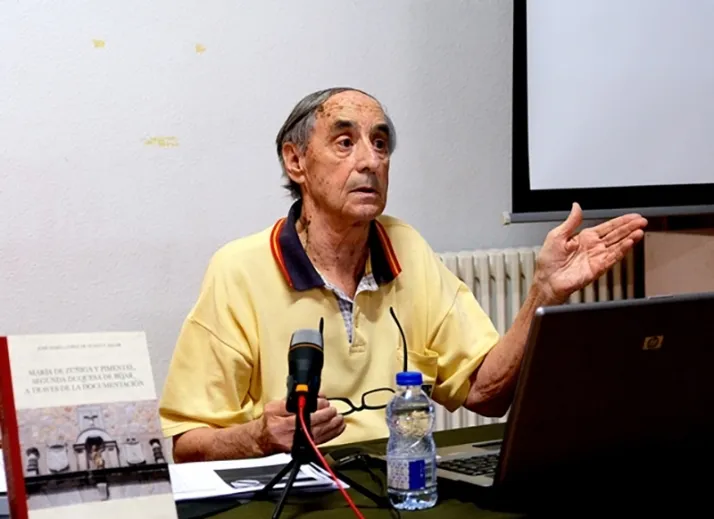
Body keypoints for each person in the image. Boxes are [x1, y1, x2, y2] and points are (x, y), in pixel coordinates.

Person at [159, 87, 647, 462]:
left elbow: (485, 392)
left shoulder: (407, 248)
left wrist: (543, 293)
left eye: (380, 144)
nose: (370, 161)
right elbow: (184, 443)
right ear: (296, 161)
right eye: (345, 142)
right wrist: (259, 437)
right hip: (293, 493)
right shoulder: (238, 270)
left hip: (401, 479)